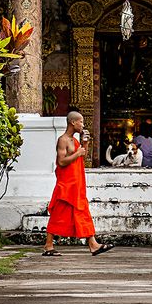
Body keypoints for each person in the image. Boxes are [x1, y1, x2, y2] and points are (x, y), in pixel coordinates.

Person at [43, 110, 114, 257]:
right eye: (80, 121)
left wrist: (85, 144)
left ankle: (93, 244)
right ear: (72, 122)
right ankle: (48, 245)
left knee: (82, 213)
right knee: (58, 215)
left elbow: (81, 157)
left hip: (76, 184)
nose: (82, 124)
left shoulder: (75, 141)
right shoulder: (63, 140)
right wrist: (78, 153)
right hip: (66, 185)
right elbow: (61, 162)